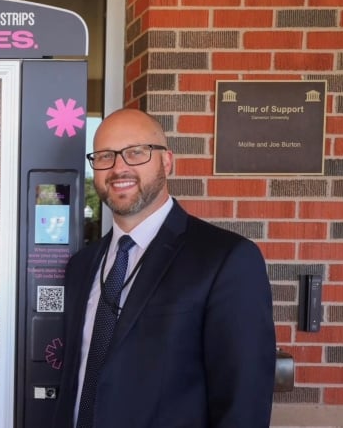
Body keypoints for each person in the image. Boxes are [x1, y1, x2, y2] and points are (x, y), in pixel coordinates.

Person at [53, 109, 276, 428]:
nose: (119, 167)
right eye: (104, 156)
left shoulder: (227, 260)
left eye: (136, 152)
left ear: (167, 162)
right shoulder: (81, 267)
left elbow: (244, 404)